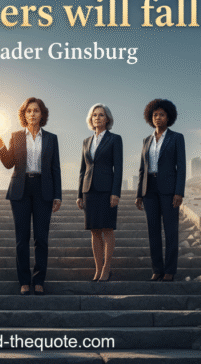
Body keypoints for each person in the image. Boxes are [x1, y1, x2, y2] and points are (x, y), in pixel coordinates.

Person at [0, 97, 61, 296]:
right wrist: (1, 144)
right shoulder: (16, 136)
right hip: (20, 189)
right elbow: (9, 163)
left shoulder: (51, 138)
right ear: (24, 114)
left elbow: (56, 168)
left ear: (42, 114)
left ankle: (38, 280)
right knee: (22, 239)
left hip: (43, 189)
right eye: (28, 111)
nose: (32, 114)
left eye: (36, 111)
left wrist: (58, 195)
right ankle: (24, 280)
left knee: (41, 239)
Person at [135, 99, 185, 282]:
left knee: (171, 231)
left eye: (161, 114)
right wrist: (139, 193)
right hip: (149, 190)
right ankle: (157, 269)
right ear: (150, 117)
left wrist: (179, 192)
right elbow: (142, 168)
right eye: (155, 115)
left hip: (169, 190)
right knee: (153, 231)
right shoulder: (146, 140)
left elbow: (182, 167)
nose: (158, 117)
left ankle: (170, 270)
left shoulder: (176, 138)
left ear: (168, 117)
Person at [77, 103, 123, 282]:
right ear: (91, 119)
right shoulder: (86, 142)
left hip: (106, 190)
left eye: (101, 115)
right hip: (89, 190)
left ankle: (106, 269)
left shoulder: (115, 139)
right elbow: (83, 169)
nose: (97, 118)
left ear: (107, 119)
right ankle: (97, 269)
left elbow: (118, 168)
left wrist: (115, 193)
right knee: (94, 231)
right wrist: (80, 194)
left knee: (107, 230)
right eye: (94, 115)